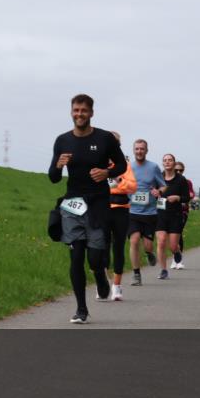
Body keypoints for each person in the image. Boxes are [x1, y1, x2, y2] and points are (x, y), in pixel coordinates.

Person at [48, 94, 126, 324]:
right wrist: (58, 166)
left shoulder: (104, 139)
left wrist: (107, 172)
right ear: (71, 112)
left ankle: (100, 275)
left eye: (83, 110)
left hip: (98, 204)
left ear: (91, 113)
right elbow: (53, 178)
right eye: (75, 110)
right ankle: (81, 309)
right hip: (72, 204)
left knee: (94, 257)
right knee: (76, 256)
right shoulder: (62, 140)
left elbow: (121, 165)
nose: (79, 114)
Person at [126, 139, 166, 287]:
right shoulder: (128, 167)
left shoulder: (153, 167)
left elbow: (163, 186)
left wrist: (159, 191)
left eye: (142, 149)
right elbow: (123, 185)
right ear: (133, 150)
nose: (139, 151)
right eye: (136, 149)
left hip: (150, 213)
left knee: (148, 246)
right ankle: (136, 274)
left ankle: (149, 253)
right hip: (133, 211)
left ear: (146, 150)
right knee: (134, 241)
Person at [103, 132, 136, 300]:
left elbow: (132, 187)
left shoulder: (125, 165)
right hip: (101, 209)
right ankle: (103, 284)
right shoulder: (96, 162)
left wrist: (118, 180)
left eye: (115, 143)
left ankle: (117, 286)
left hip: (120, 209)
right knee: (101, 248)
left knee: (118, 247)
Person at [153, 154, 190, 279]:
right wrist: (154, 193)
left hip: (175, 215)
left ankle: (177, 252)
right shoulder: (158, 178)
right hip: (160, 214)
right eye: (165, 160)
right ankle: (163, 270)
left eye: (170, 160)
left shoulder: (181, 180)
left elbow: (187, 197)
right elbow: (152, 192)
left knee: (173, 245)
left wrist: (177, 197)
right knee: (161, 241)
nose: (167, 162)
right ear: (162, 163)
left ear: (174, 163)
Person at [172, 161, 195, 269]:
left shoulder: (187, 182)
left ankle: (178, 260)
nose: (178, 172)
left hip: (182, 211)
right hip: (168, 212)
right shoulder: (167, 180)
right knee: (169, 236)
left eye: (180, 170)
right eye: (176, 170)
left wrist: (188, 196)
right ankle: (175, 256)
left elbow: (191, 193)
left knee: (178, 233)